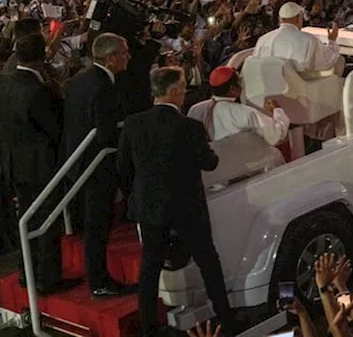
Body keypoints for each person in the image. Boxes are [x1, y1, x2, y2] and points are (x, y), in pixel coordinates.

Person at [118, 67, 234, 337]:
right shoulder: (189, 127)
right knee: (207, 260)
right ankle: (224, 316)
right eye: (183, 88)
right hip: (187, 206)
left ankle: (149, 327)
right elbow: (209, 162)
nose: (185, 93)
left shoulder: (133, 123)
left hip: (149, 207)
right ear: (174, 92)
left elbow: (123, 166)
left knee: (150, 266)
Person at [61, 32, 134, 298]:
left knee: (95, 226)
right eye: (124, 53)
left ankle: (99, 279)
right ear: (111, 58)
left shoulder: (79, 80)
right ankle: (100, 282)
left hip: (81, 164)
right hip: (96, 167)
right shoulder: (104, 87)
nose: (128, 57)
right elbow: (106, 134)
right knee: (98, 227)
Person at [0, 33, 69, 294]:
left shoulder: (4, 83)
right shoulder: (38, 91)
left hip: (14, 166)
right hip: (41, 167)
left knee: (25, 220)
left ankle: (25, 271)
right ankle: (47, 278)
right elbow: (54, 129)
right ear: (43, 57)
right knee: (46, 221)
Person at [187, 66, 290, 145]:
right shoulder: (245, 113)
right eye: (239, 81)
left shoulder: (195, 109)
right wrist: (277, 110)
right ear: (232, 89)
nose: (242, 84)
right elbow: (276, 135)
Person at [253, 2, 343, 76]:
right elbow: (327, 62)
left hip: (267, 89)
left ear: (280, 19)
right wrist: (332, 41)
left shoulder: (263, 39)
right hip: (298, 91)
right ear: (298, 18)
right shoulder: (309, 40)